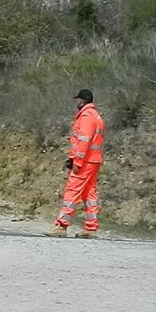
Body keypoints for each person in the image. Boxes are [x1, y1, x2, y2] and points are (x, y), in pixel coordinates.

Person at [45, 89, 105, 239]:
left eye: (78, 100)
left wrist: (76, 161)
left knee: (72, 191)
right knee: (89, 193)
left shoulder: (86, 116)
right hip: (93, 160)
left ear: (83, 100)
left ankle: (62, 225)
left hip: (85, 162)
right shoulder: (95, 115)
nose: (76, 102)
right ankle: (91, 227)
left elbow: (84, 140)